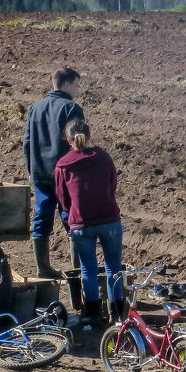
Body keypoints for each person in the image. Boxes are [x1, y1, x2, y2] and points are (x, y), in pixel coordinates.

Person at [54, 118, 122, 327]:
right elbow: (112, 185)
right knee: (114, 269)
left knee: (88, 270)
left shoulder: (63, 165)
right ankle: (117, 315)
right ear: (89, 135)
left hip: (81, 224)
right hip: (109, 219)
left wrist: (73, 212)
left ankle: (92, 316)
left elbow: (63, 200)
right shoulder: (104, 157)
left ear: (68, 140)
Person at [23, 67, 85, 278]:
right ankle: (77, 270)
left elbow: (27, 142)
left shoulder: (35, 108)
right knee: (71, 219)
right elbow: (77, 143)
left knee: (41, 217)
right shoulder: (71, 108)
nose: (77, 89)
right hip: (65, 174)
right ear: (66, 85)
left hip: (40, 172)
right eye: (76, 85)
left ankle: (43, 268)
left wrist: (32, 170)